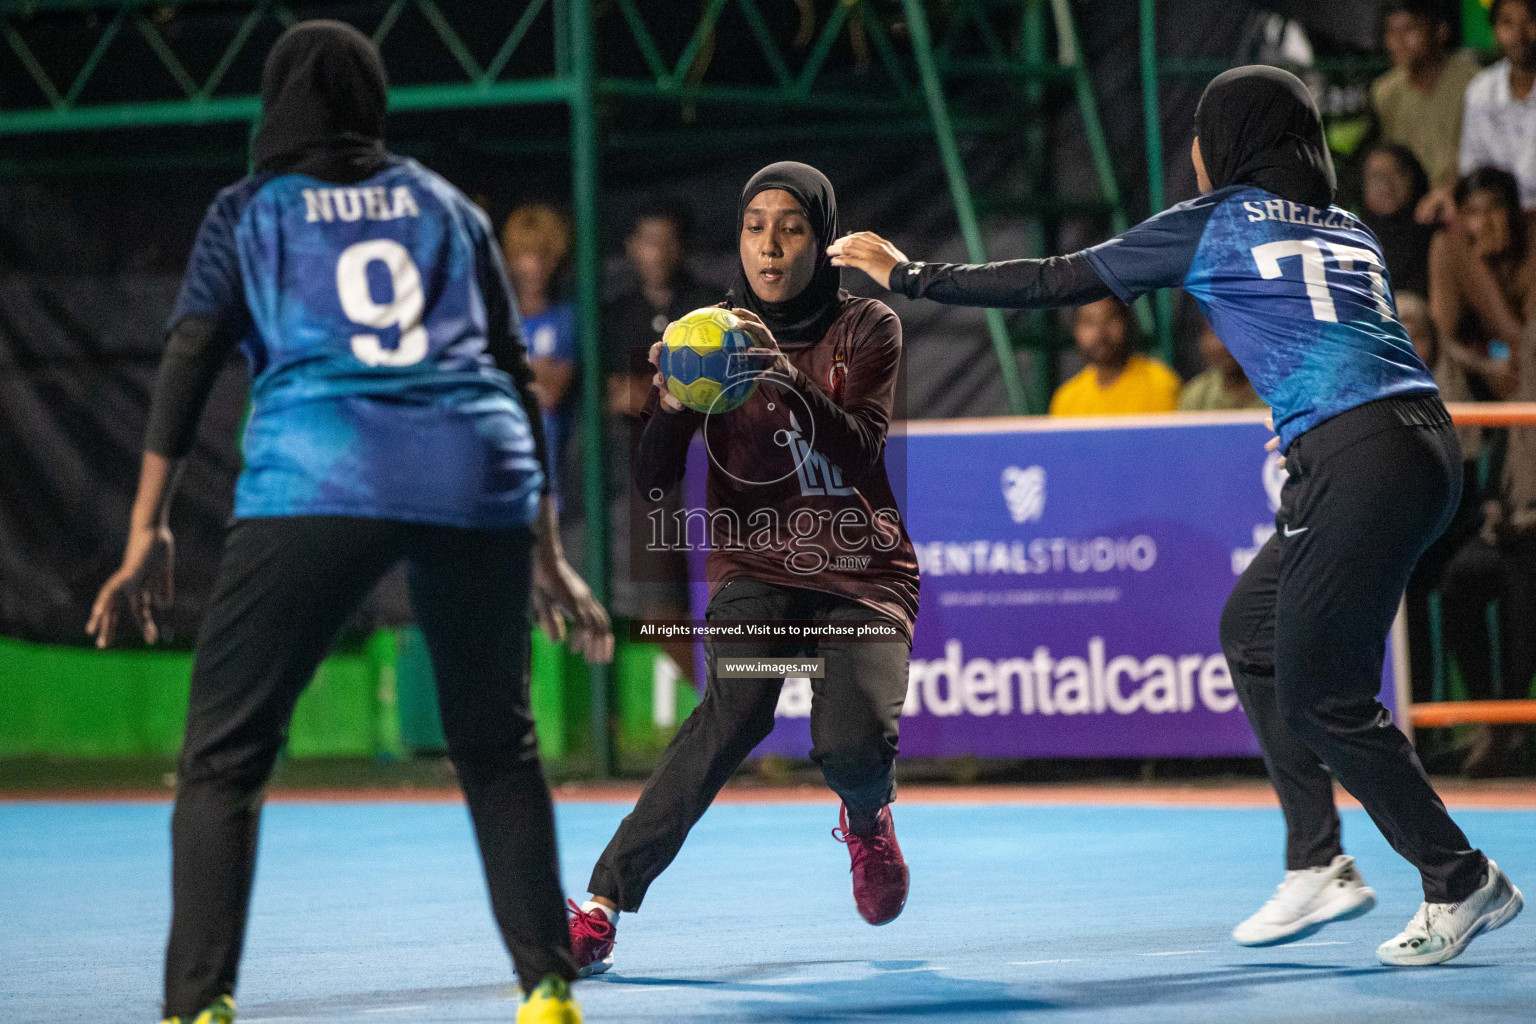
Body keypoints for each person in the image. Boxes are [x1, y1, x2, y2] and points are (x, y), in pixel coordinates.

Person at [831, 65, 1522, 966]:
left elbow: (1055, 279)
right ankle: (1318, 860)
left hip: (1354, 454)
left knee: (1322, 695)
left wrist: (913, 275)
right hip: (1426, 445)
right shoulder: (1349, 228)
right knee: (1254, 630)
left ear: (1229, 145)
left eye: (1203, 133)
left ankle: (1459, 877)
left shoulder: (1217, 221)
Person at [85, 22, 609, 1024]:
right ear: (375, 105)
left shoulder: (249, 208)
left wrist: (147, 525)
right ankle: (546, 985)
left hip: (322, 467)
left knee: (224, 756)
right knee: (496, 744)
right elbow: (508, 373)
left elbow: (192, 355)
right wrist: (546, 552)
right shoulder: (452, 209)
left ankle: (199, 1004)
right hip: (478, 472)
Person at [565, 162, 920, 977]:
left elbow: (861, 449)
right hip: (756, 571)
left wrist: (779, 374)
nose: (769, 243)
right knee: (733, 711)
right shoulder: (706, 335)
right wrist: (673, 407)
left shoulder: (869, 327)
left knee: (852, 742)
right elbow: (654, 476)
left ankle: (868, 819)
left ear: (821, 240)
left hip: (862, 576)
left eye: (790, 226)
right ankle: (601, 905)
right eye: (755, 225)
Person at [602, 201, 717, 673]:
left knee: (731, 603)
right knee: (656, 610)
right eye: (649, 241)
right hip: (646, 479)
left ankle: (754, 717)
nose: (658, 253)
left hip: (711, 472)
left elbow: (718, 391)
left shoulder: (713, 308)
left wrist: (660, 396)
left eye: (669, 242)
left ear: (684, 248)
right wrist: (669, 393)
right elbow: (610, 393)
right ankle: (719, 708)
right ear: (632, 248)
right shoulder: (614, 315)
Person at [1428, 167, 1536, 401]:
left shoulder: (1532, 236)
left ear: (1515, 211)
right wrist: (1488, 365)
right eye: (1473, 212)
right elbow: (1442, 336)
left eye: (1496, 208)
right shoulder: (1450, 247)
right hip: (1486, 362)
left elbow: (1524, 336)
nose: (1486, 222)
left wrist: (1480, 270)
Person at [1372, 0, 1480, 224]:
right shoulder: (1385, 92)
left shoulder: (1473, 82)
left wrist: (1449, 190)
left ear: (1440, 31)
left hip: (1466, 201)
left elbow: (1481, 154)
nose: (1397, 42)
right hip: (1413, 211)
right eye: (1391, 32)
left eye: (1409, 30)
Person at [502, 204, 577, 494]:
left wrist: (512, 374)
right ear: (510, 259)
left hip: (555, 476)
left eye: (543, 254)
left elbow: (551, 395)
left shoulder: (567, 318)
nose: (534, 265)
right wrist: (536, 372)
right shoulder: (495, 319)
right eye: (524, 254)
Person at [1459, 0, 1536, 211]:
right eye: (1507, 23)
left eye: (1530, 20)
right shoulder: (1481, 91)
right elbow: (1472, 168)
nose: (1519, 34)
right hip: (1500, 216)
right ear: (1495, 30)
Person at [1047, 296, 1181, 415]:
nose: (1100, 333)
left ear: (1127, 323)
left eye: (1110, 319)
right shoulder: (1067, 398)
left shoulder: (1159, 384)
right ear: (1075, 330)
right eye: (1089, 322)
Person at [1360, 143, 1435, 295]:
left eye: (1397, 173)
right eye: (1377, 177)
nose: (1387, 185)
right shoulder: (1353, 237)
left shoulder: (1433, 231)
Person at [1179, 317, 1266, 412]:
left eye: (1235, 332)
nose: (1224, 345)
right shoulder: (1197, 394)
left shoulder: (1278, 393)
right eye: (1215, 333)